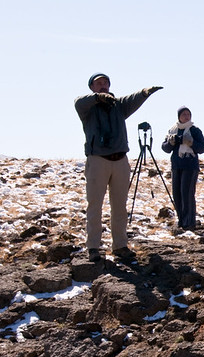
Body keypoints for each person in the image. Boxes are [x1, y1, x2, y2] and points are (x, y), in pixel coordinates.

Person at [74, 73, 161, 262]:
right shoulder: (86, 108)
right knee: (95, 206)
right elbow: (79, 102)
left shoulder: (118, 106)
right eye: (99, 83)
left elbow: (132, 99)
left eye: (105, 83)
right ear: (92, 88)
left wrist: (145, 93)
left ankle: (120, 246)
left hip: (120, 160)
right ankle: (93, 247)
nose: (103, 86)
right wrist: (97, 98)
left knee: (120, 206)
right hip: (98, 160)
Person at [161, 106, 204, 232]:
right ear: (179, 117)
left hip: (190, 165)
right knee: (177, 194)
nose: (186, 116)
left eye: (188, 114)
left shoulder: (194, 130)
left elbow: (203, 147)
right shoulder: (173, 130)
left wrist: (191, 143)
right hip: (176, 166)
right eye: (184, 114)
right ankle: (182, 221)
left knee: (187, 193)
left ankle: (190, 222)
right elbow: (165, 148)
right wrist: (170, 143)